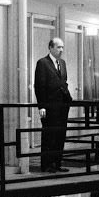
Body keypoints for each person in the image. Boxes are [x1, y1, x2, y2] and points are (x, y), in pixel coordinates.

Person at [34, 37, 73, 173]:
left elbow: (64, 82)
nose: (61, 50)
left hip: (62, 106)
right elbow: (40, 86)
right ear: (51, 48)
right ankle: (47, 164)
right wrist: (42, 106)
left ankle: (57, 163)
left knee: (60, 135)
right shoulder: (42, 63)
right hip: (50, 106)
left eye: (62, 47)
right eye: (58, 47)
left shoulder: (62, 63)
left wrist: (68, 98)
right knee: (49, 135)